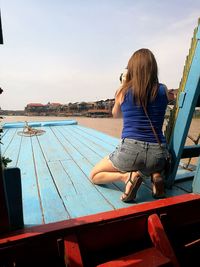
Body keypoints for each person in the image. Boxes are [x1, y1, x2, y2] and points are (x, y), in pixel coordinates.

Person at [90, 48, 176, 202]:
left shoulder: (123, 91)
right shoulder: (163, 90)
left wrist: (124, 84)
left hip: (131, 152)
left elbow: (116, 114)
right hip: (158, 153)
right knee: (152, 163)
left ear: (132, 70)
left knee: (95, 175)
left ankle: (127, 177)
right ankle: (156, 176)